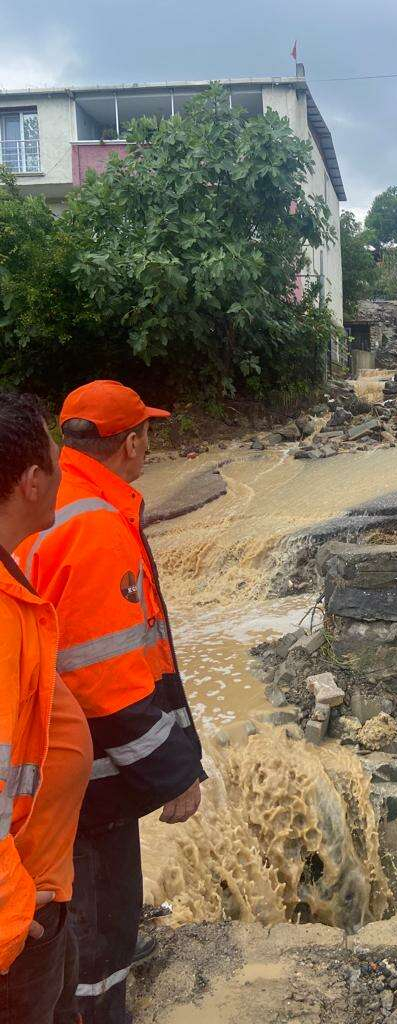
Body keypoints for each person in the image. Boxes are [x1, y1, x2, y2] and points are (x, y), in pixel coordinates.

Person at [17, 380, 205, 1024]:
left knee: (76, 914)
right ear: (131, 443)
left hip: (46, 775)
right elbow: (105, 678)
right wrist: (173, 773)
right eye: (147, 432)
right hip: (91, 784)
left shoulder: (56, 502)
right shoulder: (96, 526)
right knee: (99, 926)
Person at [0, 393, 92, 1024]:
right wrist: (13, 910)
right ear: (33, 483)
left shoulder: (13, 580)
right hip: (17, 925)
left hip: (44, 898)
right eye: (57, 465)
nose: (65, 474)